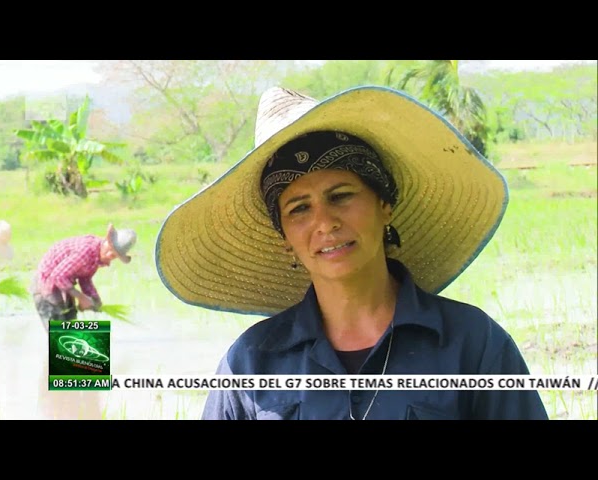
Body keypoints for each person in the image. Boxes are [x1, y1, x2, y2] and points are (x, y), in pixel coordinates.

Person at [155, 85, 549, 420]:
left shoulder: (472, 344)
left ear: (384, 206)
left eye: (341, 196)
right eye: (299, 209)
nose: (324, 223)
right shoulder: (250, 365)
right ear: (284, 237)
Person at [32, 223, 137, 331]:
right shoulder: (86, 251)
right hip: (46, 285)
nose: (110, 255)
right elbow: (58, 276)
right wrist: (81, 298)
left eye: (114, 255)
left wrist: (94, 298)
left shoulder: (95, 256)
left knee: (71, 323)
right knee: (59, 331)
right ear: (106, 241)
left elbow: (85, 278)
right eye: (110, 249)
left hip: (64, 285)